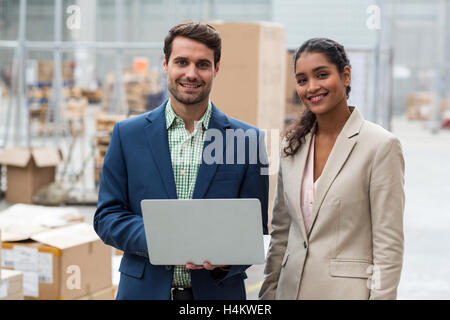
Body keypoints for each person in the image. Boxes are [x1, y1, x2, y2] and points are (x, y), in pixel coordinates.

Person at [94, 22, 268, 300]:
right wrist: (165, 237)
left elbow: (254, 230)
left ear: (216, 68)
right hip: (143, 292)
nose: (191, 73)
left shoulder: (247, 140)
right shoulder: (127, 135)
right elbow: (107, 217)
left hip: (216, 294)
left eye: (202, 64)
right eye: (181, 62)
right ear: (165, 64)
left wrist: (227, 259)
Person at [259, 38, 404, 300]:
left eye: (322, 75)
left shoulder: (380, 146)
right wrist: (267, 295)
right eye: (302, 80)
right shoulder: (292, 145)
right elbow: (281, 232)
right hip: (289, 292)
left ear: (345, 75)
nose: (311, 87)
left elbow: (388, 246)